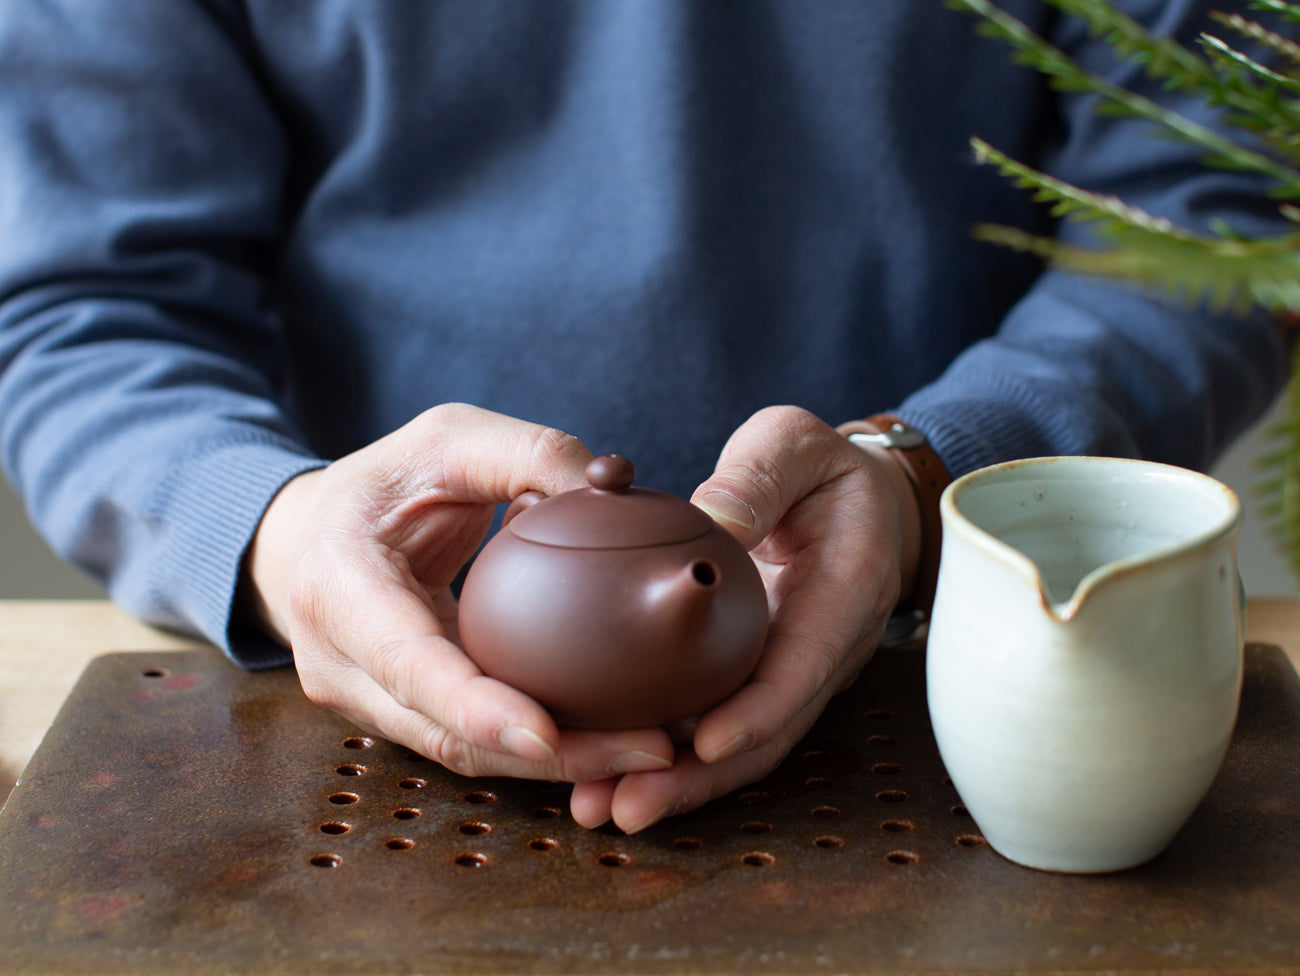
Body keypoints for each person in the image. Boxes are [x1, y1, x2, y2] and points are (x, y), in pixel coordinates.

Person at [0, 1, 1290, 834]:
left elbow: (1218, 202)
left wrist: (930, 479)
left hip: (962, 677)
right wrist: (271, 530)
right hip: (343, 716)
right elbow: (82, 299)